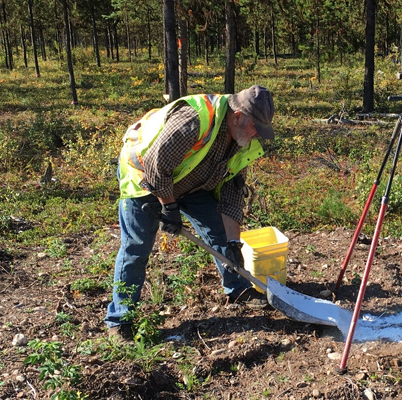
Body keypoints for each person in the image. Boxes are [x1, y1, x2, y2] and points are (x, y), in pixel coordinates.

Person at [105, 85, 275, 339]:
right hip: (145, 179)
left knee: (218, 231)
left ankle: (237, 288)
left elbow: (230, 195)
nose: (257, 136)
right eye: (256, 128)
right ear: (238, 117)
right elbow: (155, 165)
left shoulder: (242, 142)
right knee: (136, 248)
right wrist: (169, 207)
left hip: (190, 181)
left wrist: (233, 243)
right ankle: (120, 319)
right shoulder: (196, 119)